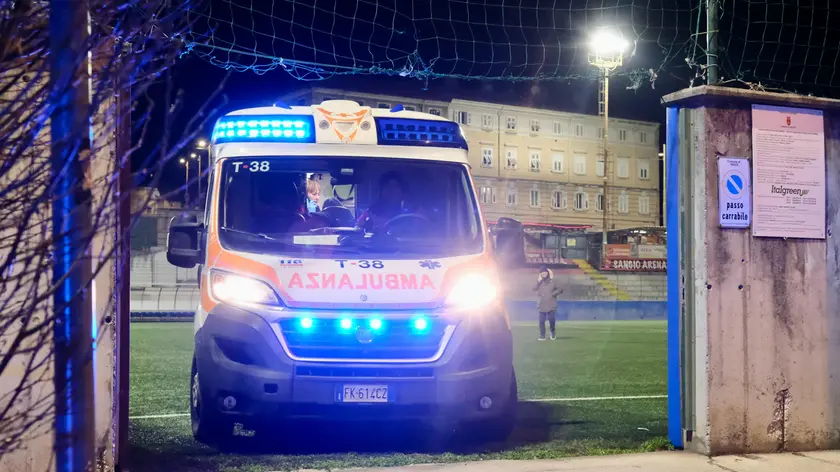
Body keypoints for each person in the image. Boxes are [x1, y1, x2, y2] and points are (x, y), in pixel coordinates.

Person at [533, 265, 563, 341]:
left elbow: (560, 289)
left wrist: (553, 294)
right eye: (542, 273)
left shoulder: (553, 281)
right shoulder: (539, 283)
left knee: (551, 320)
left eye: (545, 272)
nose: (543, 274)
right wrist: (538, 282)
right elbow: (533, 288)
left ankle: (552, 332)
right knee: (541, 321)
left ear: (547, 273)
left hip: (551, 304)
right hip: (542, 304)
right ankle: (542, 335)